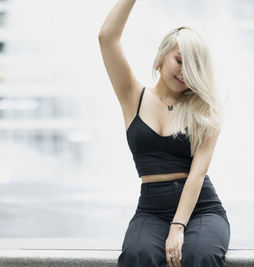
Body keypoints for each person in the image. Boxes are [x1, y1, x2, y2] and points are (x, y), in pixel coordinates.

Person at [98, 0, 230, 266]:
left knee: (199, 256)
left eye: (193, 68)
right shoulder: (132, 96)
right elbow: (107, 38)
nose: (184, 73)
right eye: (179, 61)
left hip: (201, 208)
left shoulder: (205, 109)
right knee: (138, 255)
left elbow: (198, 174)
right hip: (151, 209)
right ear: (161, 57)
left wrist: (178, 226)